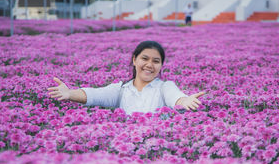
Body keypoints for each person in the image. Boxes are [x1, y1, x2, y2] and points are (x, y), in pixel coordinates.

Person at [48, 41, 205, 115]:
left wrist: (185, 101)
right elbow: (94, 95)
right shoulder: (121, 89)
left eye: (156, 61)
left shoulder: (165, 87)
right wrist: (69, 94)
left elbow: (176, 97)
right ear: (135, 60)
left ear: (161, 66)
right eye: (145, 59)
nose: (150, 65)